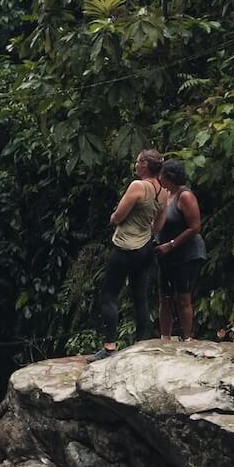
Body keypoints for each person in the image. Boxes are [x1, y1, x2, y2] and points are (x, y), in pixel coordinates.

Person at [90, 150, 166, 362]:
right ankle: (141, 342)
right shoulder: (163, 192)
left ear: (144, 165)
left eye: (138, 161)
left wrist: (114, 217)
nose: (135, 164)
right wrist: (147, 230)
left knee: (109, 295)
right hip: (145, 248)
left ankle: (109, 346)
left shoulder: (138, 186)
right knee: (139, 296)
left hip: (126, 247)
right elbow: (159, 225)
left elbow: (118, 216)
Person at [152, 158, 207, 340]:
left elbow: (195, 227)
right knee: (164, 297)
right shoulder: (167, 195)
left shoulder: (185, 196)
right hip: (165, 255)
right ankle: (165, 337)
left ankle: (187, 338)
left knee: (183, 297)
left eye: (161, 175)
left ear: (169, 176)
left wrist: (172, 244)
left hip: (185, 253)